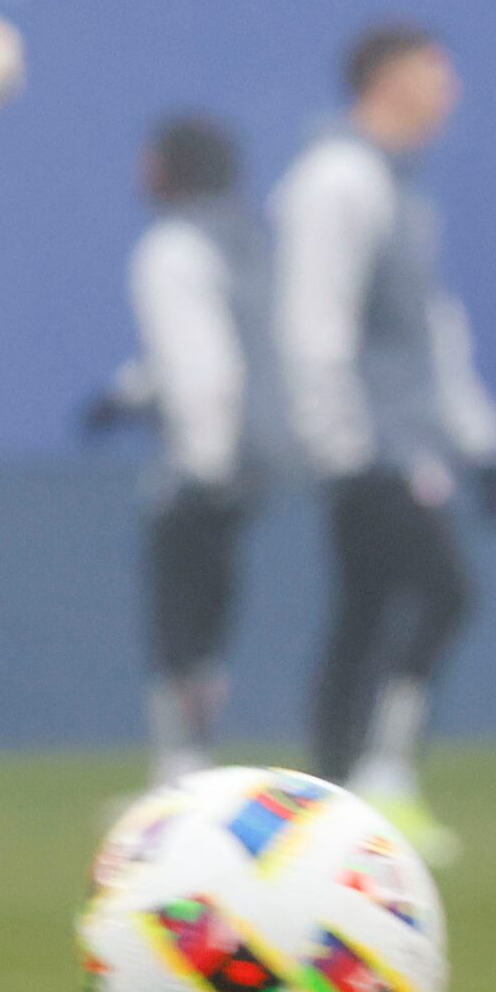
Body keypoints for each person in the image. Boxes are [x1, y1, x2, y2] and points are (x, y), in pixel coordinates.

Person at [274, 22, 496, 865]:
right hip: (370, 448)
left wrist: (477, 439)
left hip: (395, 442)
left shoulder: (394, 188)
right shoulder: (339, 182)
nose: (448, 92)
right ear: (386, 79)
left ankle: (333, 795)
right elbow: (315, 325)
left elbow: (430, 332)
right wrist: (342, 447)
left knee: (365, 612)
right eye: (433, 74)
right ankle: (381, 779)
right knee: (438, 594)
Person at [89, 116, 288, 786]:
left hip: (204, 463)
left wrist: (201, 463)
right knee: (212, 614)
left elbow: (200, 363)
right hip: (255, 458)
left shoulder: (171, 246)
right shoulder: (248, 241)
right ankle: (192, 759)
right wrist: (131, 393)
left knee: (176, 619)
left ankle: (177, 769)